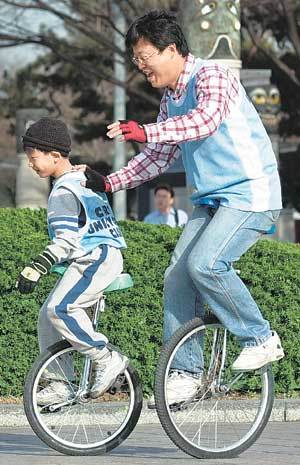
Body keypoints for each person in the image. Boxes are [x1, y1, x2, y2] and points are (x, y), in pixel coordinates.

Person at [77, 10, 284, 406]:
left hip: (251, 195)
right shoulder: (170, 101)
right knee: (177, 277)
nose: (140, 67)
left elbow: (204, 121)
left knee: (205, 264)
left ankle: (260, 336)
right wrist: (108, 182)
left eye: (144, 57)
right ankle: (186, 374)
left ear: (171, 49)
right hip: (213, 202)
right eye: (136, 60)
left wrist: (146, 129)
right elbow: (157, 158)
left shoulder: (213, 77)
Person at [16, 117, 128, 405]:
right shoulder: (83, 178)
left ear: (54, 155)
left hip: (96, 257)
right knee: (47, 316)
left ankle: (105, 357)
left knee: (60, 309)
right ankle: (60, 383)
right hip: (97, 255)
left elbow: (67, 242)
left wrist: (36, 268)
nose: (31, 163)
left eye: (34, 157)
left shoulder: (63, 191)